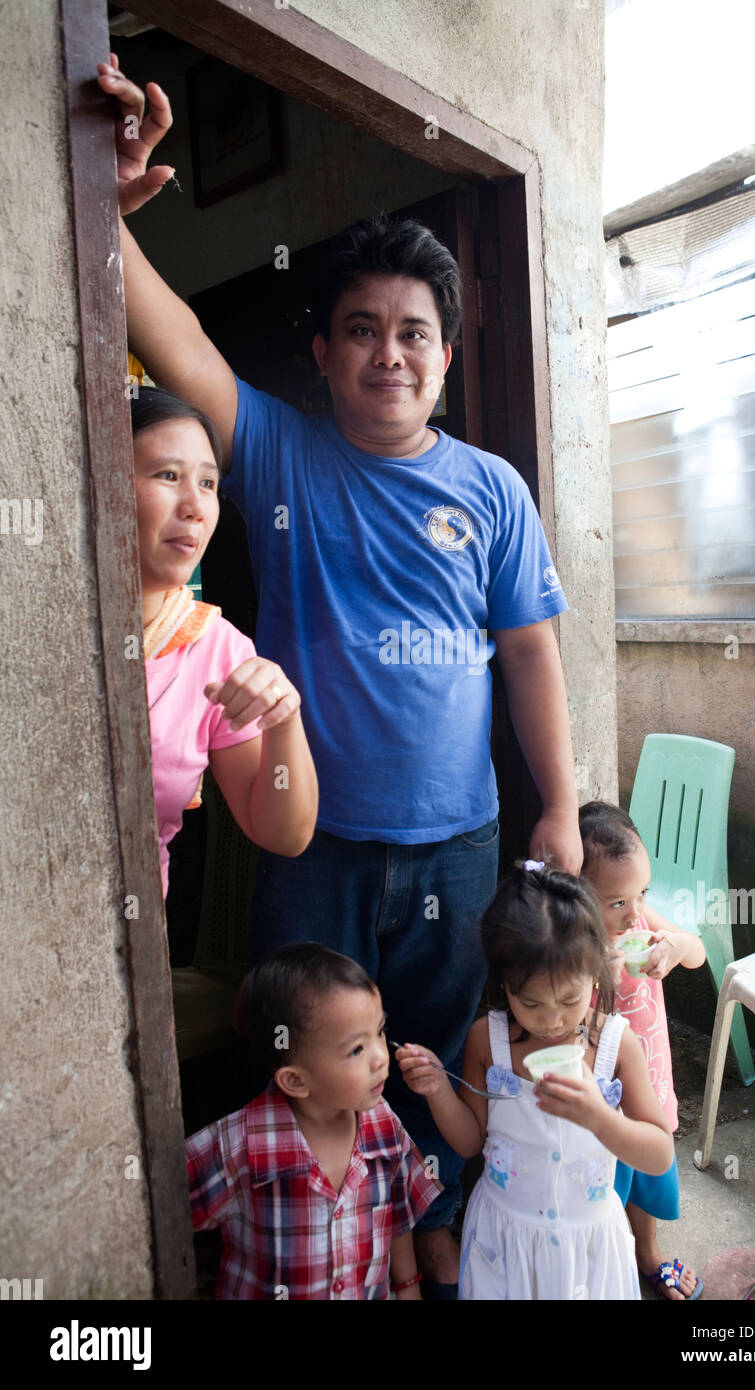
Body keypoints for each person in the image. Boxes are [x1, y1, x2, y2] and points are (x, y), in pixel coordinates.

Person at [99, 57, 583, 1291]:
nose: (388, 354)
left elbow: (528, 648)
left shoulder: (492, 491)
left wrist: (557, 802)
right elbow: (184, 344)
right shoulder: (275, 452)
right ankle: (308, 1251)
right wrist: (103, 205)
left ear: (445, 352)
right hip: (309, 848)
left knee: (431, 1061)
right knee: (308, 1061)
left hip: (460, 840)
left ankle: (429, 1249)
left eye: (412, 332)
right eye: (360, 330)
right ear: (321, 349)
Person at [397, 862, 673, 1300]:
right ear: (504, 985)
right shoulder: (488, 1041)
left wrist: (600, 1118)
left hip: (590, 1247)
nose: (552, 1021)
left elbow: (659, 1155)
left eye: (570, 999)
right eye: (531, 1002)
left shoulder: (616, 1045)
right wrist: (437, 1091)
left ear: (597, 973)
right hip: (506, 1244)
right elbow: (472, 1141)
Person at [132, 387, 317, 896]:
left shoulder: (216, 650)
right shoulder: (36, 619)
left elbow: (283, 833)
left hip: (128, 937)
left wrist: (284, 718)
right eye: (168, 476)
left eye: (209, 483)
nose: (195, 506)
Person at [186, 943, 442, 1299]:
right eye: (356, 1049)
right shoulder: (238, 1145)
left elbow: (396, 1213)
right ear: (296, 1081)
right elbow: (162, 1214)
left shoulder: (383, 1124)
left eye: (380, 1031)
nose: (382, 1056)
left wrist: (407, 1287)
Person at [579, 801, 706, 1301]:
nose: (634, 914)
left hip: (648, 1081)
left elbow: (695, 952)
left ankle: (647, 1250)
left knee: (651, 1165)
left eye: (642, 895)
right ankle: (602, 1259)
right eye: (616, 903)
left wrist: (675, 947)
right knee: (607, 1174)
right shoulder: (568, 948)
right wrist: (596, 981)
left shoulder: (638, 921)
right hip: (602, 1092)